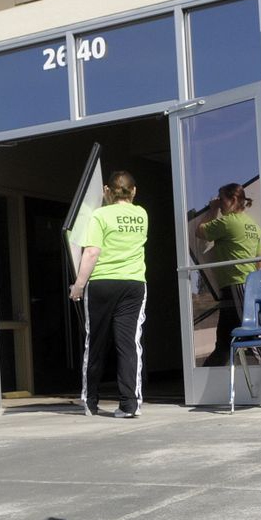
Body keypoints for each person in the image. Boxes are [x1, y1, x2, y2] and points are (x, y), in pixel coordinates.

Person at [68, 171, 148, 418]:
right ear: (134, 191)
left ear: (106, 191)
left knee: (96, 343)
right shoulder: (142, 214)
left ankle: (90, 402)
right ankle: (128, 405)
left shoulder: (100, 215)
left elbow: (91, 252)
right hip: (134, 284)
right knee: (129, 345)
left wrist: (78, 285)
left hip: (102, 283)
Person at [196, 182, 261, 367]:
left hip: (237, 286)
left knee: (253, 338)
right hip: (246, 286)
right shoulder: (253, 226)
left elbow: (200, 231)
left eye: (221, 199)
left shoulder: (228, 223)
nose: (219, 203)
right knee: (224, 342)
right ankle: (210, 378)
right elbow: (259, 259)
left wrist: (211, 211)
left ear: (233, 199)